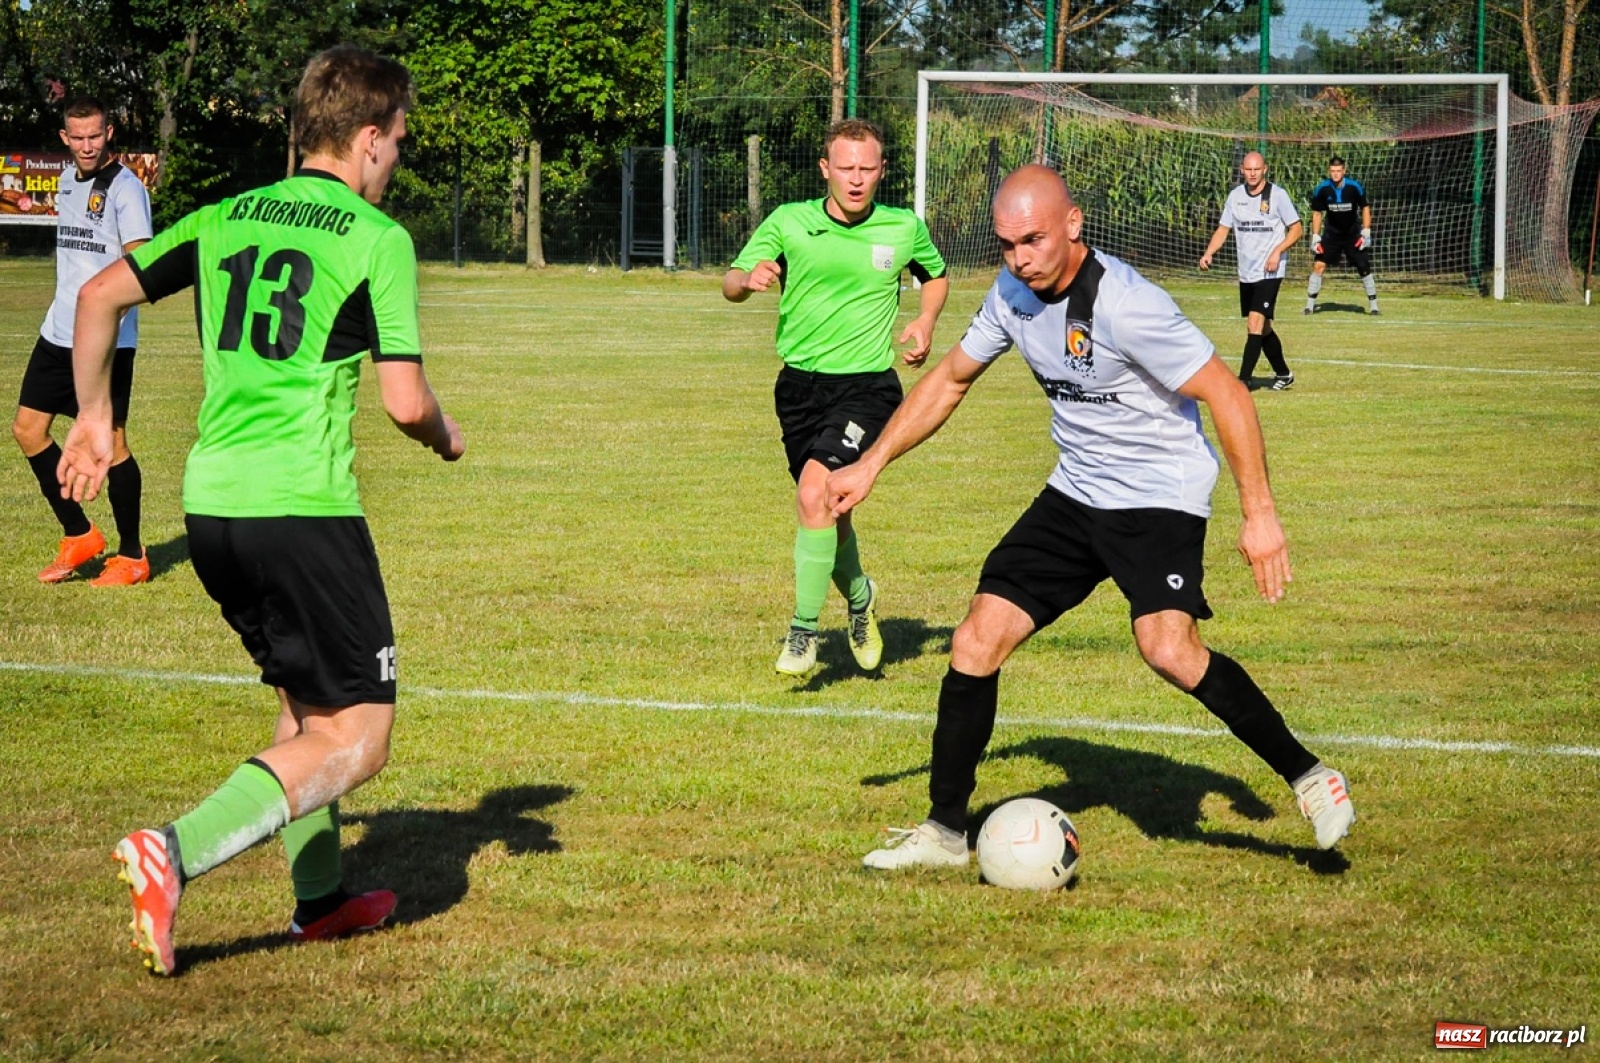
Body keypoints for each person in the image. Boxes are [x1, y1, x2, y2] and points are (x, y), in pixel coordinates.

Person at [59, 45, 465, 976]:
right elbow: (405, 401)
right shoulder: (373, 237)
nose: (397, 160)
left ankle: (319, 901)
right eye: (397, 142)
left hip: (213, 512)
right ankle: (176, 849)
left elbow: (98, 295)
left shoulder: (226, 216)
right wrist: (446, 434)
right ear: (367, 139)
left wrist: (94, 418)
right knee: (358, 733)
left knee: (305, 710)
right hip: (302, 510)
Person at [827, 165, 1355, 871]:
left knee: (1168, 648)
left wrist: (1260, 515)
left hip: (1157, 494)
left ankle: (1308, 774)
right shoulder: (1011, 294)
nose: (1020, 257)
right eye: (1008, 243)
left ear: (1073, 224)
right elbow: (950, 379)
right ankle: (945, 830)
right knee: (976, 639)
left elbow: (1229, 394)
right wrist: (871, 464)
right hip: (1076, 492)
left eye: (1034, 239)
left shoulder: (1128, 305)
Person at [723, 118, 950, 678]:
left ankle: (802, 633)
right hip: (798, 389)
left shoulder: (902, 227)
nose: (855, 179)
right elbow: (729, 281)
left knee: (813, 493)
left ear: (881, 171)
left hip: (867, 388)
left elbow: (936, 275)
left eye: (866, 168)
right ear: (826, 169)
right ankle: (860, 600)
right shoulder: (789, 221)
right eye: (845, 168)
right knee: (827, 512)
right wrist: (749, 279)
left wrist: (925, 319)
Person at [14, 96, 152, 584]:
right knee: (28, 430)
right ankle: (79, 536)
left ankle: (133, 555)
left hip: (106, 340)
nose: (88, 145)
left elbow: (140, 263)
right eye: (79, 136)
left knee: (111, 443)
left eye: (96, 135)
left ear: (108, 133)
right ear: (64, 139)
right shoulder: (66, 182)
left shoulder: (126, 189)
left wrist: (107, 320)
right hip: (58, 330)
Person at [1199, 151, 1302, 391]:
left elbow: (1296, 229)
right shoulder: (1235, 197)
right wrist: (1209, 252)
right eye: (1248, 169)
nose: (1253, 173)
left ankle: (1242, 381)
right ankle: (1284, 374)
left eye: (1257, 169)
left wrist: (1278, 251)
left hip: (1270, 272)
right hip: (1246, 272)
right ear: (1242, 171)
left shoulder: (1278, 196)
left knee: (1254, 324)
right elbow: (1223, 229)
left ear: (1265, 169)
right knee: (1263, 328)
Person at [1304, 156, 1379, 315]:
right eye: (1332, 171)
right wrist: (1315, 236)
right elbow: (1317, 213)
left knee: (1364, 267)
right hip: (1332, 236)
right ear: (1329, 171)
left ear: (1344, 171)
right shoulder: (1322, 188)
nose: (1335, 174)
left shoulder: (1354, 187)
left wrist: (1366, 231)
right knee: (1319, 265)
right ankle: (1309, 306)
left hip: (1352, 235)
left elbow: (1365, 208)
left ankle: (1374, 307)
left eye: (1338, 171)